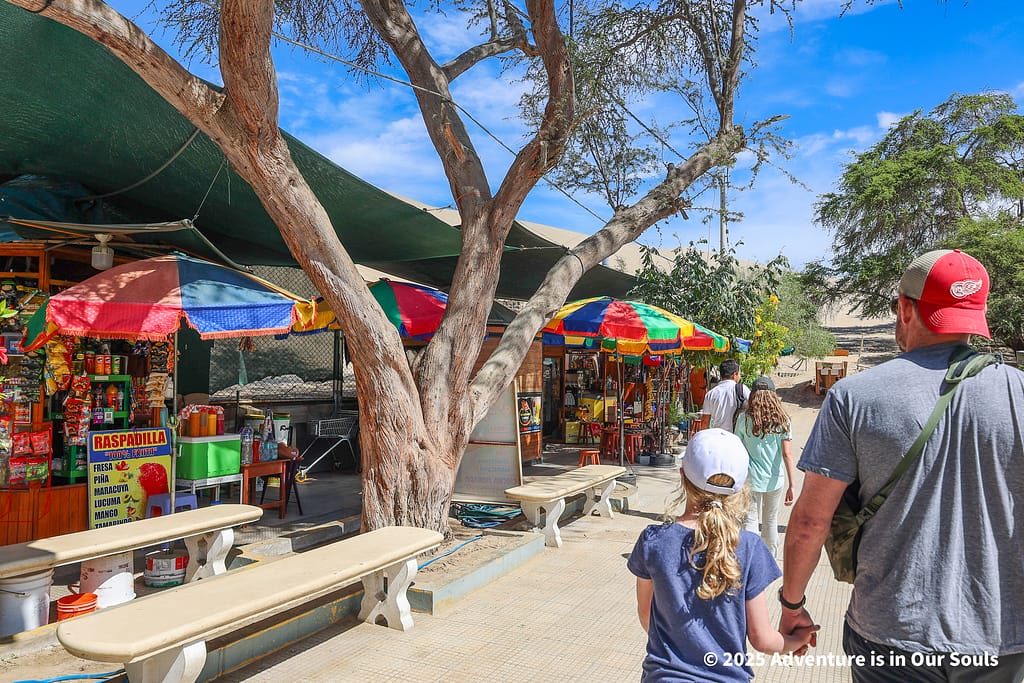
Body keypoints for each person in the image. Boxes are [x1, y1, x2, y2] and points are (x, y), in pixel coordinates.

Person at [781, 249, 1024, 682]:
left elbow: (809, 523)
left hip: (891, 634)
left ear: (906, 308)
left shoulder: (854, 397)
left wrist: (792, 605)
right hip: (1001, 637)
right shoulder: (1018, 393)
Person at [629, 428, 818, 682]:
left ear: (682, 476)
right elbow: (762, 639)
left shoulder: (654, 540)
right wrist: (797, 639)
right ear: (740, 489)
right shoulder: (748, 547)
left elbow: (646, 616)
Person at [734, 376, 795, 557]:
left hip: (750, 479)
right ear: (774, 396)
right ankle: (769, 559)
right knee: (770, 520)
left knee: (750, 520)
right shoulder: (783, 420)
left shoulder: (744, 419)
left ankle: (751, 559)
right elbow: (787, 454)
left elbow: (737, 449)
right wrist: (792, 484)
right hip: (775, 480)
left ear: (752, 395)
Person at [701, 359, 749, 433]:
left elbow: (705, 422)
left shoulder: (710, 394)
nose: (740, 376)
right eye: (739, 374)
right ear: (734, 375)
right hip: (736, 437)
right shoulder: (742, 389)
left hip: (717, 437)